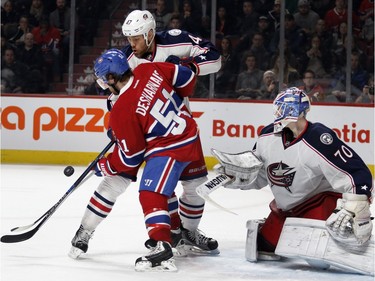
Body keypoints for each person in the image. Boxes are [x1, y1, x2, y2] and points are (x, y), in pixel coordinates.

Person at [69, 9, 221, 259]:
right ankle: (85, 231)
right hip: (150, 133)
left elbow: (213, 59)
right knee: (117, 181)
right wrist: (118, 128)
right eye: (128, 38)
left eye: (137, 37)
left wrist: (187, 65)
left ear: (150, 33)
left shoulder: (174, 41)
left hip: (171, 132)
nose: (132, 43)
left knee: (191, 186)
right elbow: (116, 101)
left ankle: (184, 233)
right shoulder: (129, 62)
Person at [213, 87, 373, 271]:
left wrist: (356, 207)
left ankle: (340, 237)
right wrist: (237, 178)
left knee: (317, 258)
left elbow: (355, 171)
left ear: (294, 110)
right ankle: (275, 226)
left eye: (282, 108)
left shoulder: (319, 138)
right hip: (286, 209)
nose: (278, 112)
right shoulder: (267, 135)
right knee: (262, 248)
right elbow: (262, 174)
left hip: (317, 202)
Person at [78, 48, 207, 271]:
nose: (104, 86)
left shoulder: (121, 110)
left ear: (111, 77)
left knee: (151, 193)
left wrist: (105, 164)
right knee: (184, 189)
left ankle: (161, 244)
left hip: (169, 147)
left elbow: (131, 157)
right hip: (191, 136)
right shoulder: (148, 68)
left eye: (104, 81)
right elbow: (187, 79)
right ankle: (180, 233)